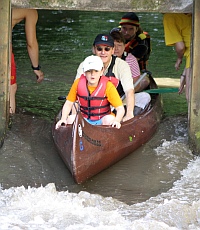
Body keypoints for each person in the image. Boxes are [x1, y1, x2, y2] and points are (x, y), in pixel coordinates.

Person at [76, 33, 151, 119]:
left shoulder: (122, 65)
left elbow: (129, 90)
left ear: (112, 50)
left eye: (107, 49)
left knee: (145, 97)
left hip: (119, 101)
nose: (103, 52)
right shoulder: (84, 65)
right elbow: (76, 90)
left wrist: (129, 114)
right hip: (92, 103)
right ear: (94, 50)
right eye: (99, 49)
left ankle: (125, 116)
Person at [55, 55, 125, 129]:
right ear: (84, 72)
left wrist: (117, 120)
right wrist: (63, 119)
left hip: (102, 120)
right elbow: (69, 103)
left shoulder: (108, 86)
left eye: (96, 71)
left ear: (102, 71)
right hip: (84, 119)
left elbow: (120, 108)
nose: (92, 74)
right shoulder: (78, 83)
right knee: (71, 119)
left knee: (110, 119)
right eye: (89, 71)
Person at [10, 9, 44, 114]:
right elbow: (31, 43)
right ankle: (7, 126)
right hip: (3, 53)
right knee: (10, 88)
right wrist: (36, 68)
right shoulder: (29, 10)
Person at [163, 13, 192, 101]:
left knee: (191, 97)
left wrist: (179, 58)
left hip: (194, 56)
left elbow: (180, 47)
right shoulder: (193, 11)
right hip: (193, 55)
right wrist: (184, 74)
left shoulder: (169, 16)